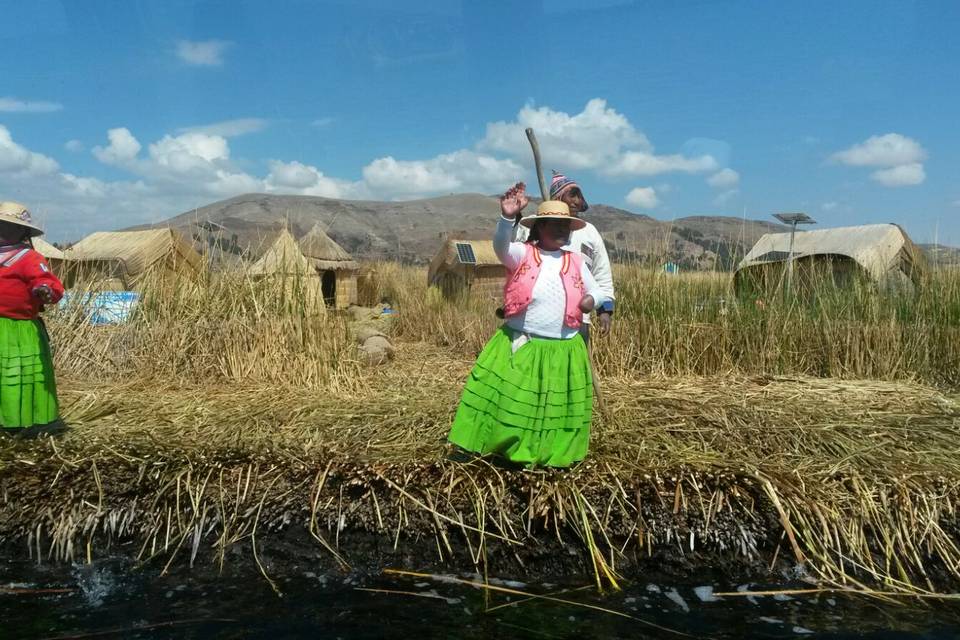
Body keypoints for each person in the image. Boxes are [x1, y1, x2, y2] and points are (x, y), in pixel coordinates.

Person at [447, 183, 608, 468]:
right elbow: (500, 246)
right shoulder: (522, 254)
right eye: (554, 225)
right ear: (539, 227)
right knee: (512, 398)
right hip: (523, 342)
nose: (562, 231)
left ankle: (551, 454)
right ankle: (498, 446)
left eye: (566, 227)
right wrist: (507, 218)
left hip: (563, 349)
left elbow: (600, 291)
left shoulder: (576, 261)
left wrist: (591, 300)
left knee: (554, 405)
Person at [514, 171, 615, 338]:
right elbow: (515, 250)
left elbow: (601, 274)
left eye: (579, 196)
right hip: (534, 318)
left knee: (573, 363)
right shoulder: (535, 225)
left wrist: (605, 310)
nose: (577, 201)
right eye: (572, 196)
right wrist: (514, 216)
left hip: (576, 320)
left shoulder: (589, 232)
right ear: (558, 199)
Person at [0, 202, 65, 438]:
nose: (1, 230)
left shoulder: (29, 258)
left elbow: (46, 281)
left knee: (18, 375)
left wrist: (44, 290)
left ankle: (20, 422)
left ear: (22, 232)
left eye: (7, 226)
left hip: (19, 331)